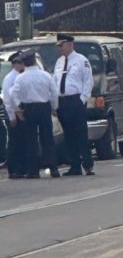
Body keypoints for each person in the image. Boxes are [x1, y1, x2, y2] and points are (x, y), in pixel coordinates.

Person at [8, 52, 60, 179]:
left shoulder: (21, 78)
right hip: (44, 107)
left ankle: (33, 170)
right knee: (47, 138)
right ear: (35, 61)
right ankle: (53, 168)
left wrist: (19, 106)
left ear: (24, 63)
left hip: (29, 108)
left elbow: (12, 93)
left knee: (31, 140)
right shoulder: (46, 75)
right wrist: (54, 107)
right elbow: (54, 93)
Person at [52, 34, 95, 177]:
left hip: (75, 101)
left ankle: (88, 165)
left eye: (61, 45)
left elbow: (88, 82)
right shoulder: (59, 62)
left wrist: (82, 100)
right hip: (62, 102)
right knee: (68, 135)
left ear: (69, 44)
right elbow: (55, 82)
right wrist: (55, 103)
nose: (60, 48)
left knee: (81, 134)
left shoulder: (81, 61)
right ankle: (74, 165)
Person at [2, 52, 27, 178]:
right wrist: (12, 116)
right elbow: (7, 99)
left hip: (20, 113)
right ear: (15, 64)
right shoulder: (10, 78)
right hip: (13, 115)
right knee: (14, 142)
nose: (23, 64)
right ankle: (14, 169)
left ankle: (21, 168)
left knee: (21, 141)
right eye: (21, 62)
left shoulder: (20, 76)